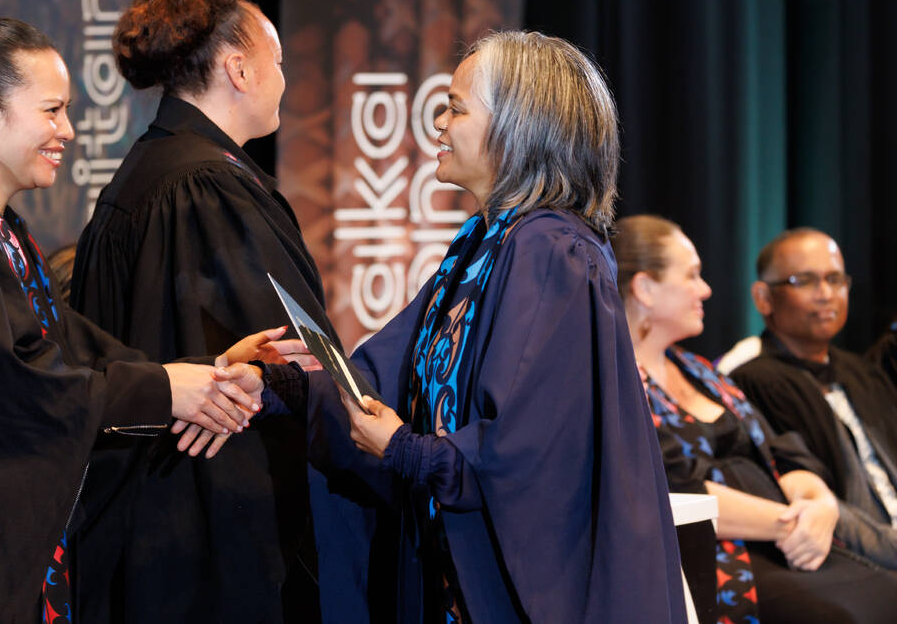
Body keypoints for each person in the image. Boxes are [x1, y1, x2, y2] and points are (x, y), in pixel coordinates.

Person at [235, 30, 687, 622]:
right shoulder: (481, 244)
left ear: (519, 127)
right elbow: (379, 378)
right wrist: (277, 383)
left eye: (455, 107)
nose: (439, 125)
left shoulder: (551, 252)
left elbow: (532, 451)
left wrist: (408, 451)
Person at [0, 7, 264, 623]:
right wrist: (164, 389)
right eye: (51, 110)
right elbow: (6, 385)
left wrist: (202, 374)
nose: (69, 131)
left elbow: (68, 344)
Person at [69, 0, 328, 622]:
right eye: (278, 62)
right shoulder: (205, 186)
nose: (285, 80)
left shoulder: (147, 172)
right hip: (205, 539)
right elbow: (285, 356)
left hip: (144, 529)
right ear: (238, 69)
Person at [612, 214, 897, 623]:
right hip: (716, 555)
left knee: (886, 595)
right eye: (692, 276)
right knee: (844, 614)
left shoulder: (701, 371)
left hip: (789, 538)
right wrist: (791, 525)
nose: (705, 289)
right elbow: (676, 487)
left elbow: (784, 453)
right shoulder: (620, 385)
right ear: (645, 288)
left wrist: (818, 506)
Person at [729, 229, 897, 541]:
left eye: (835, 280)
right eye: (804, 281)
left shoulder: (862, 372)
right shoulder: (752, 383)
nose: (826, 294)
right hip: (846, 548)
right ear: (763, 298)